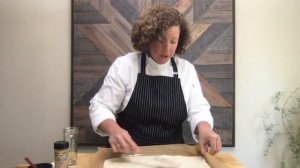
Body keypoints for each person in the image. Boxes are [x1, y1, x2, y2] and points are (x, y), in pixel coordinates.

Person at [89, 5, 222, 156]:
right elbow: (100, 106)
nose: (167, 49)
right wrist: (114, 130)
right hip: (128, 155)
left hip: (174, 157)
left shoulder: (186, 70)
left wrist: (205, 129)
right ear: (147, 38)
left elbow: (198, 110)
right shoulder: (126, 65)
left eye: (173, 41)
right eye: (160, 40)